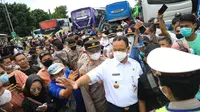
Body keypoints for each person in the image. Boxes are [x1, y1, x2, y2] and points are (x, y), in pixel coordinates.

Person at [57, 36, 143, 112]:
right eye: (115, 50)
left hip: (134, 107)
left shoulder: (136, 65)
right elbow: (89, 76)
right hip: (114, 109)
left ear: (128, 49)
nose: (118, 52)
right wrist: (76, 83)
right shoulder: (107, 65)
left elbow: (141, 87)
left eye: (121, 50)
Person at [77, 39, 108, 112]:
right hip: (100, 105)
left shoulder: (107, 61)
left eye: (97, 50)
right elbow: (86, 96)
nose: (95, 53)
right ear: (86, 52)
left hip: (114, 102)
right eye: (92, 51)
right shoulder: (84, 70)